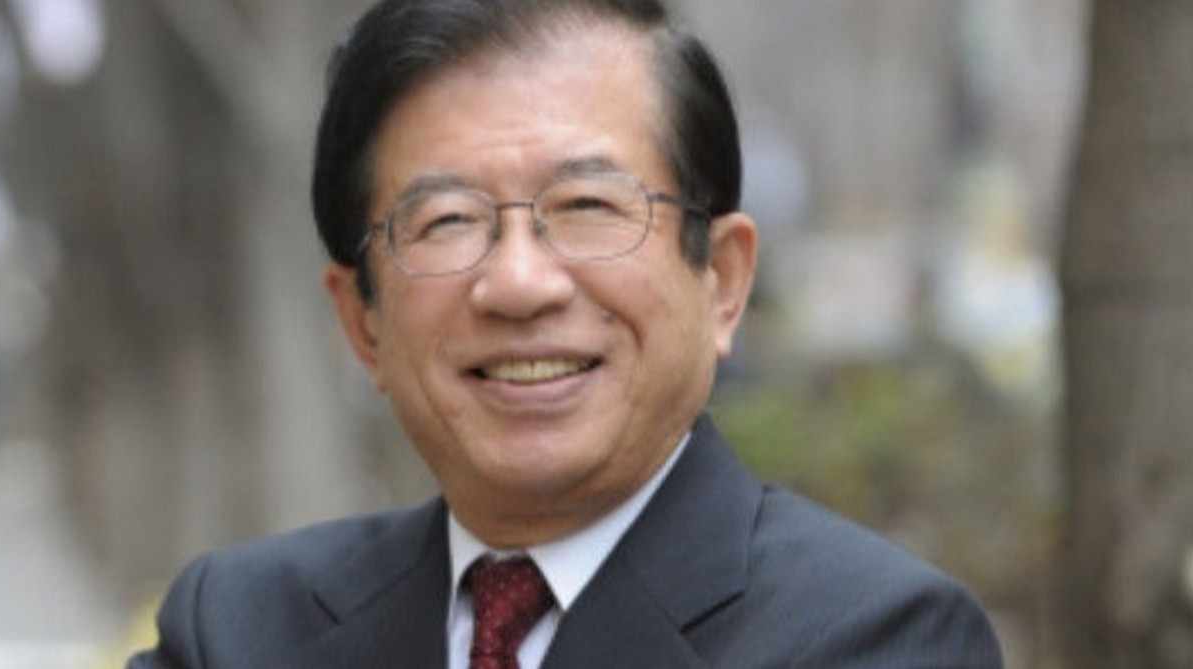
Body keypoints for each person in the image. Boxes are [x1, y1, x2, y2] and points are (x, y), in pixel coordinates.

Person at [130, 1, 1004, 667]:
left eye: (587, 205)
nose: (519, 283)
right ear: (362, 322)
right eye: (446, 220)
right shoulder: (237, 630)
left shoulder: (877, 636)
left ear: (723, 281)